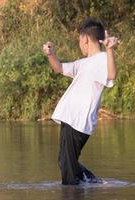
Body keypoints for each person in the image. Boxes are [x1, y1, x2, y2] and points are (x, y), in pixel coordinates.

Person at [42, 18, 120, 185]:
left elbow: (112, 75)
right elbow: (60, 68)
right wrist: (50, 54)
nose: (79, 44)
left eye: (79, 40)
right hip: (70, 118)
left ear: (85, 39)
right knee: (64, 163)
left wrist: (110, 51)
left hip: (78, 121)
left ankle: (79, 188)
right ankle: (92, 182)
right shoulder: (83, 63)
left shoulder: (102, 59)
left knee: (68, 173)